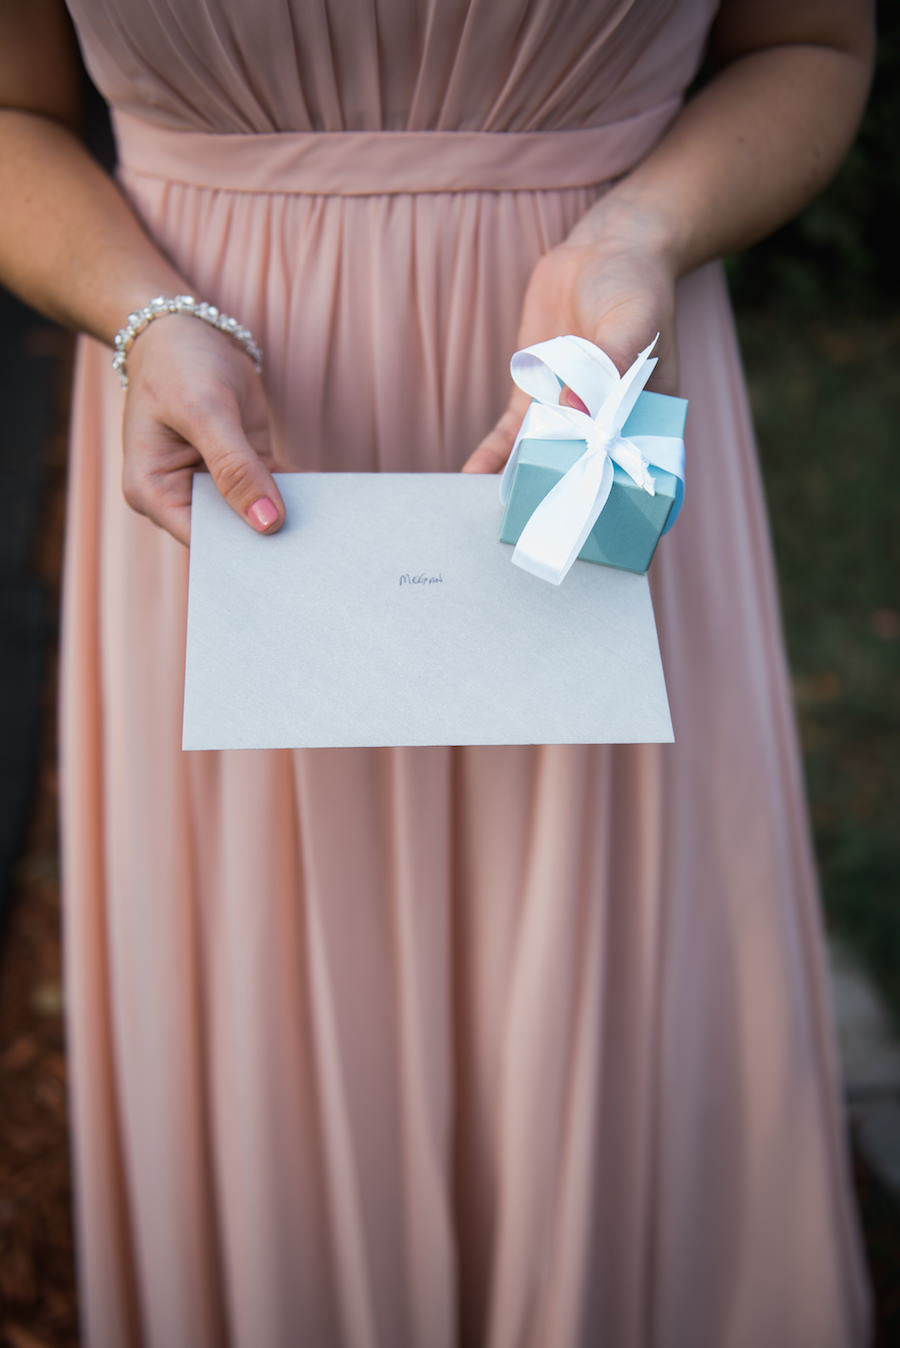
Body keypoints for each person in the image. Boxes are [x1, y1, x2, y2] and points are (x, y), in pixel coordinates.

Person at [0, 1, 876, 1344]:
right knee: (285, 1053)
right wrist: (136, 315)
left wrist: (640, 230)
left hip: (586, 392)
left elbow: (808, 50)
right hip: (216, 446)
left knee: (602, 1024)